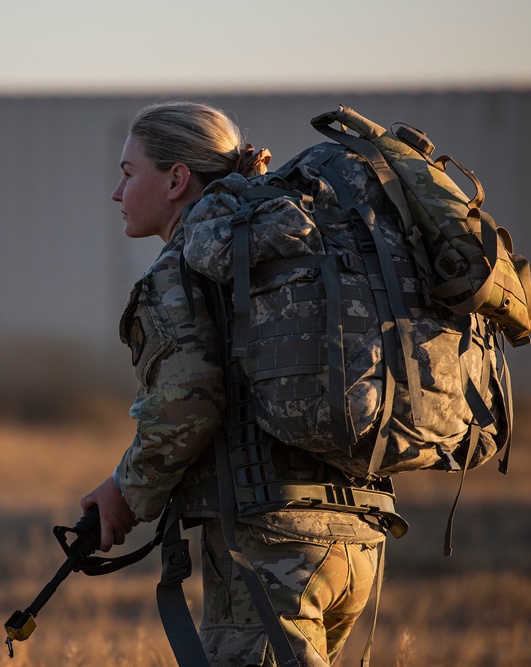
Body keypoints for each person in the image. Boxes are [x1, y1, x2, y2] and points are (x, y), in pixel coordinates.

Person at [80, 101, 387, 667]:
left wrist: (124, 493)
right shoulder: (279, 245)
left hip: (268, 551)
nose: (117, 194)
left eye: (128, 174)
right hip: (353, 539)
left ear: (176, 180)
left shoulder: (183, 270)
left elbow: (187, 404)